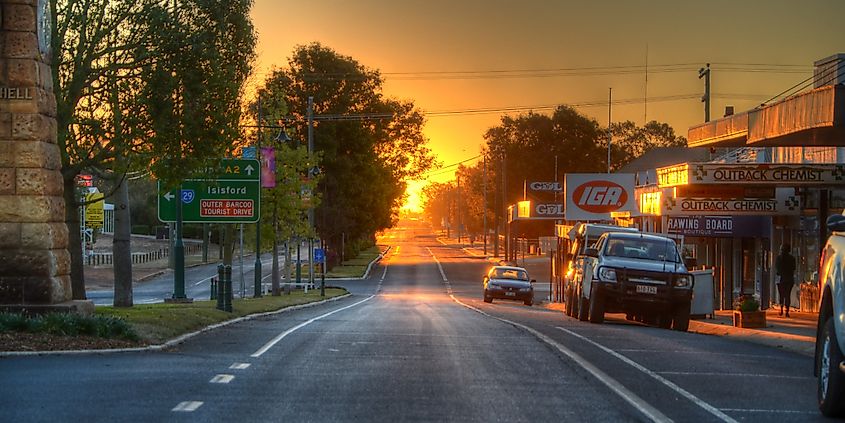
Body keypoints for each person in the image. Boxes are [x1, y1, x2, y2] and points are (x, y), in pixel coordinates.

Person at [775, 243, 796, 317]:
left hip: (781, 278)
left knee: (781, 295)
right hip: (789, 278)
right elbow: (794, 268)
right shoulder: (792, 258)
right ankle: (787, 311)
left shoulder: (778, 258)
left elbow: (777, 268)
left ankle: (781, 309)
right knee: (787, 295)